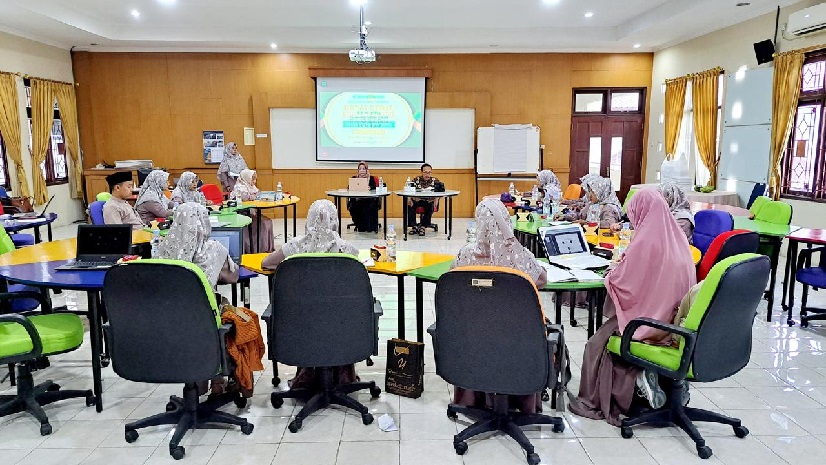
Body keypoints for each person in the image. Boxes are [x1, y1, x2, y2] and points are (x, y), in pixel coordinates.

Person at [568, 189, 697, 426]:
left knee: (596, 344)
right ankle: (659, 383)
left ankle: (630, 386)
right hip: (676, 324)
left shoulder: (647, 241)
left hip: (650, 324)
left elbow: (624, 283)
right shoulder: (677, 239)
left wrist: (611, 273)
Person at [451, 199, 547, 414]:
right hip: (518, 337)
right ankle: (520, 399)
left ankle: (475, 397)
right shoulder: (519, 255)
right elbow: (541, 280)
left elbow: (453, 279)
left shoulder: (465, 254)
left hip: (474, 335)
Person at [260, 199, 360, 389]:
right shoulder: (347, 250)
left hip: (300, 321)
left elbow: (267, 263)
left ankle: (308, 372)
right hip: (339, 322)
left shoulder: (295, 246)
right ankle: (341, 373)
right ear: (335, 220)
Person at [155, 203, 239, 289]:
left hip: (166, 296)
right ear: (204, 222)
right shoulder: (214, 248)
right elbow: (233, 277)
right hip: (199, 297)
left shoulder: (163, 247)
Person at [232, 169, 274, 253]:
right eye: (252, 179)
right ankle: (256, 249)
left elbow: (257, 194)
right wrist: (253, 196)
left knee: (268, 221)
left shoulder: (251, 186)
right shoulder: (239, 187)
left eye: (255, 179)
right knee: (262, 223)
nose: (254, 182)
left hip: (251, 212)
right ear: (247, 178)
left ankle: (266, 248)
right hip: (242, 214)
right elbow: (246, 197)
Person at [407, 163, 441, 236]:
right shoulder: (416, 180)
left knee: (430, 206)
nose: (427, 174)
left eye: (429, 172)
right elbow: (409, 190)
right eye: (425, 172)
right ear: (422, 172)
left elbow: (440, 191)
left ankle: (423, 227)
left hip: (429, 201)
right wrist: (409, 199)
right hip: (417, 200)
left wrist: (437, 199)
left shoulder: (435, 181)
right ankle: (414, 226)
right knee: (409, 205)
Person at [346, 161, 380, 232]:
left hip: (368, 201)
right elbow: (349, 188)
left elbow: (375, 188)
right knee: (354, 204)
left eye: (363, 169)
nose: (362, 171)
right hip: (357, 201)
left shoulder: (371, 178)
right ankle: (359, 225)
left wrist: (370, 187)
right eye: (360, 169)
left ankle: (369, 226)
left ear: (367, 170)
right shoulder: (354, 178)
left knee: (369, 203)